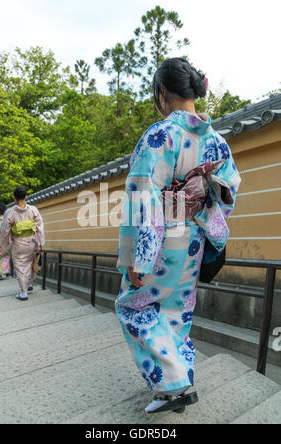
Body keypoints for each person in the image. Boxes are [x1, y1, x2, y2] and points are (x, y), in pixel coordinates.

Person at [115, 58, 241, 414]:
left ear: (162, 93)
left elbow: (142, 198)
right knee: (177, 311)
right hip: (195, 239)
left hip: (161, 240)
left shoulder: (160, 135)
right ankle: (177, 382)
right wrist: (202, 203)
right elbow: (230, 189)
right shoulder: (217, 141)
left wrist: (137, 258)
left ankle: (174, 384)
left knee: (132, 305)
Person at [0, 186, 45, 301]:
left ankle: (23, 292)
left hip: (18, 244)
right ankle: (29, 284)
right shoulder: (33, 210)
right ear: (26, 196)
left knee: (20, 267)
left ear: (14, 197)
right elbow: (40, 227)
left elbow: (4, 231)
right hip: (32, 242)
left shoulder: (9, 212)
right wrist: (40, 243)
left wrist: (4, 245)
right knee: (31, 265)